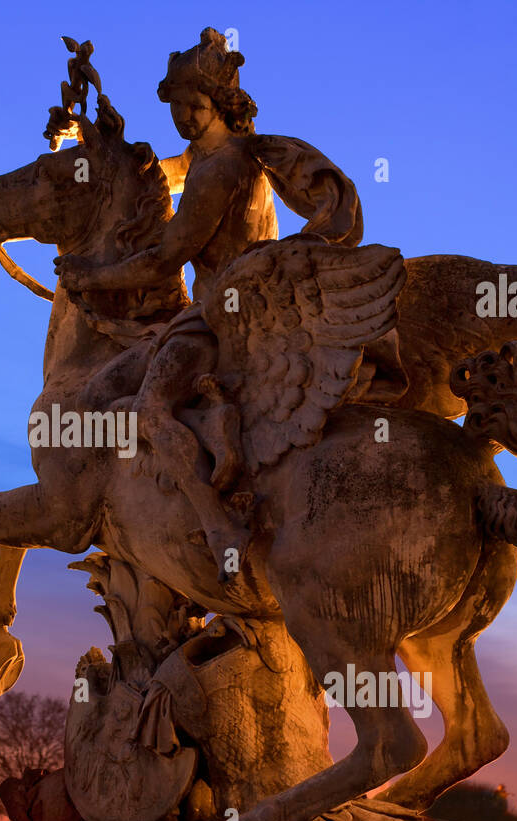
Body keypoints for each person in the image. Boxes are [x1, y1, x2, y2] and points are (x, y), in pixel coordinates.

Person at [55, 28, 364, 576]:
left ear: (220, 104)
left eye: (194, 107)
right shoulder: (206, 157)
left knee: (149, 408)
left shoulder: (223, 168)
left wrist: (92, 276)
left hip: (224, 321)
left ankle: (221, 525)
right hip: (217, 314)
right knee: (103, 390)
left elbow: (166, 257)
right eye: (176, 108)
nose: (184, 118)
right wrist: (93, 139)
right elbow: (158, 173)